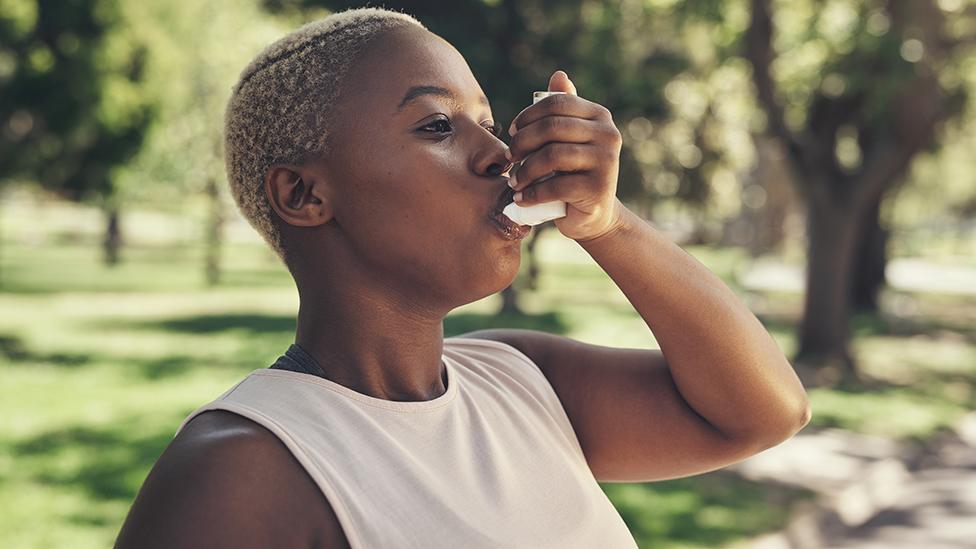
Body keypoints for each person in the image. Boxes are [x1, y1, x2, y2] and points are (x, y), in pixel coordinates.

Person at [115, 6, 811, 548]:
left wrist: (608, 224)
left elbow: (767, 410)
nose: (499, 154)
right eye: (436, 126)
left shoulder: (521, 379)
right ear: (304, 195)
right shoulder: (241, 471)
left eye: (487, 121)